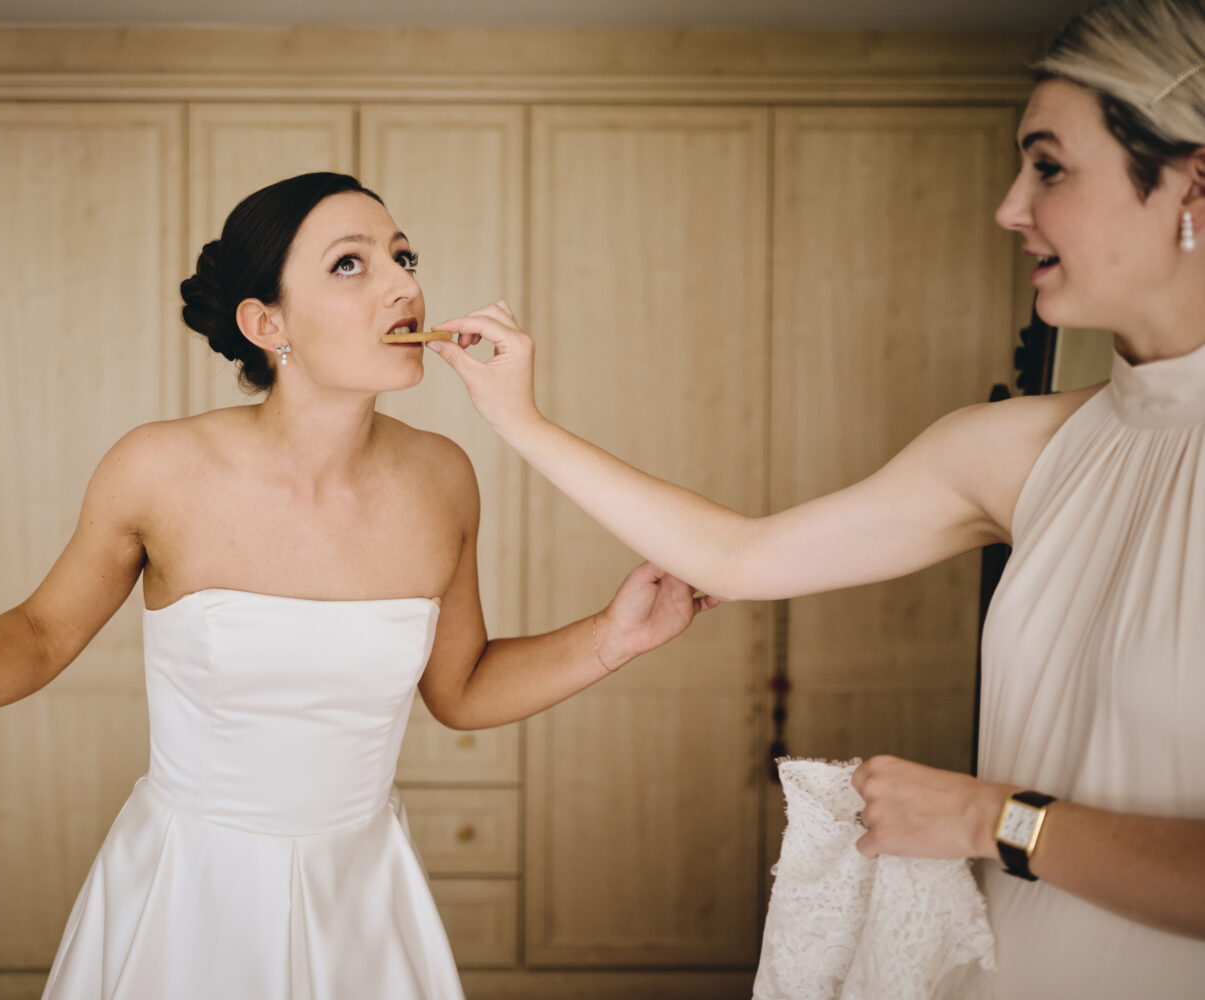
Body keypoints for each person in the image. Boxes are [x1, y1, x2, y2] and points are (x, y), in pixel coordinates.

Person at [424, 1, 1205, 995]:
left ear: (1193, 180)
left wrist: (994, 820)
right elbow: (737, 558)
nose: (1009, 208)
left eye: (1048, 168)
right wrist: (518, 419)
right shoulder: (1013, 448)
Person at [0, 172, 713, 999]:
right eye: (351, 264)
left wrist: (614, 636)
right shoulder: (157, 467)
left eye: (403, 257)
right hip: (189, 891)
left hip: (362, 895)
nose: (402, 285)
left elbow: (462, 690)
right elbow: (43, 633)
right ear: (265, 324)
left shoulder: (444, 477)